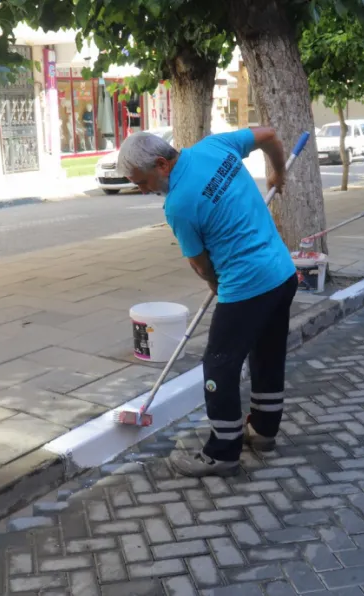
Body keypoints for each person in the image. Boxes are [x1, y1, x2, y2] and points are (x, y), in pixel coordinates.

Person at [117, 128, 298, 477]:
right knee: (267, 355)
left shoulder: (179, 204)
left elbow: (200, 264)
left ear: (161, 164)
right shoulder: (216, 146)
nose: (143, 190)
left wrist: (218, 285)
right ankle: (262, 432)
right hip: (282, 274)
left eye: (142, 182)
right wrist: (278, 171)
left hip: (247, 287)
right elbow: (271, 135)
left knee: (219, 367)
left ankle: (222, 452)